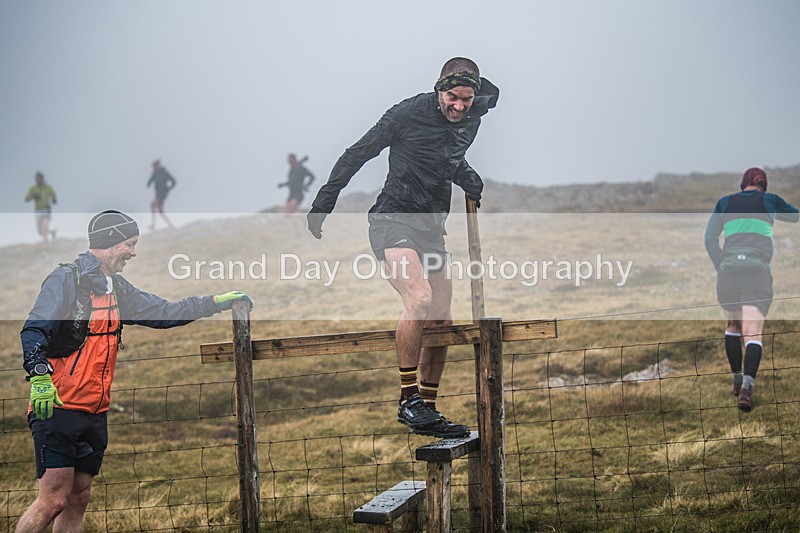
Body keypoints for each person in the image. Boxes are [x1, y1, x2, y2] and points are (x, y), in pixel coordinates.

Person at [16, 210, 253, 532]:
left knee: (79, 497)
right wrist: (40, 376)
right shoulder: (66, 279)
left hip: (95, 410)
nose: (133, 252)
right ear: (110, 242)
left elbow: (163, 312)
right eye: (129, 243)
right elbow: (34, 330)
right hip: (58, 406)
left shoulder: (116, 287)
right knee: (53, 500)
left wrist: (213, 302)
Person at [307, 57, 498, 438]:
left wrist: (467, 175)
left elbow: (448, 158)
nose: (459, 106)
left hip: (431, 227)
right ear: (439, 87)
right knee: (420, 298)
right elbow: (359, 151)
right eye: (452, 97)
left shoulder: (471, 119)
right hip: (392, 220)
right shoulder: (408, 112)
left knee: (442, 318)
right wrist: (325, 200)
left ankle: (428, 407)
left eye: (466, 99)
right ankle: (407, 400)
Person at [704, 167, 798, 412]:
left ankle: (736, 380)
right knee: (753, 332)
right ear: (763, 186)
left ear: (742, 184)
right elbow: (795, 216)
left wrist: (720, 264)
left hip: (729, 272)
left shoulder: (724, 202)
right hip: (757, 272)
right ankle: (746, 388)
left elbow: (709, 239)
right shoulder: (769, 200)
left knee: (733, 327)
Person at [24, 171, 57, 243]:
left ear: (42, 178)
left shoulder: (47, 187)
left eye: (39, 178)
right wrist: (32, 196)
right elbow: (26, 199)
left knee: (45, 226)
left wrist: (54, 199)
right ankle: (52, 232)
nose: (38, 180)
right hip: (38, 211)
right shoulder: (33, 188)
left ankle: (45, 242)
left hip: (46, 209)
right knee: (40, 231)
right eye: (36, 178)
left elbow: (53, 194)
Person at [147, 159, 176, 230]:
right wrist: (149, 183)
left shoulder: (164, 172)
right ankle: (170, 225)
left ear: (158, 165)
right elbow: (151, 179)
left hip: (162, 194)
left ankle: (153, 225)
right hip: (157, 194)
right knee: (160, 210)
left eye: (154, 166)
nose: (153, 168)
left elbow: (174, 181)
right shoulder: (155, 173)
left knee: (153, 205)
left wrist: (168, 189)